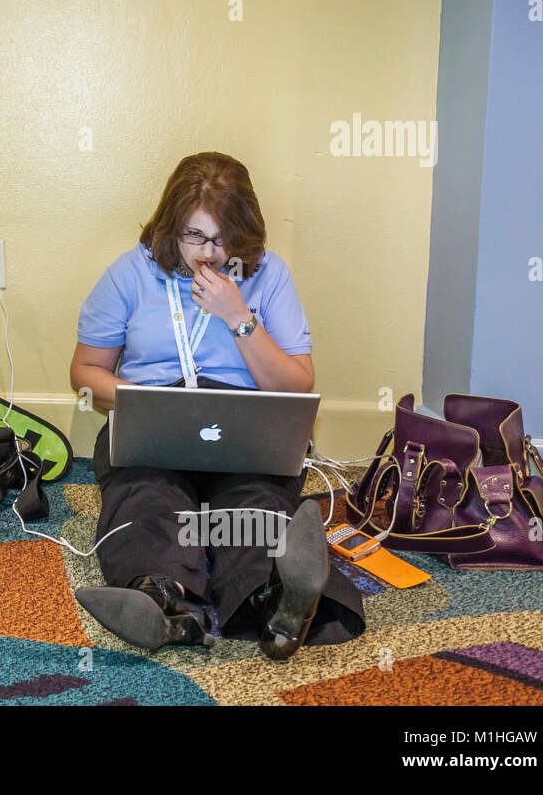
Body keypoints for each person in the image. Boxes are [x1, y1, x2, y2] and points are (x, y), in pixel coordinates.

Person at [69, 152, 364, 661]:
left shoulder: (269, 276)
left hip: (245, 419)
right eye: (194, 236)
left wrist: (239, 317)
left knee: (253, 503)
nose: (209, 252)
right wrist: (146, 402)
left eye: (223, 238)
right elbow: (85, 373)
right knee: (146, 497)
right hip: (154, 420)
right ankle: (161, 600)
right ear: (169, 227)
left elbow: (297, 387)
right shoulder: (129, 274)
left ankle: (280, 603)